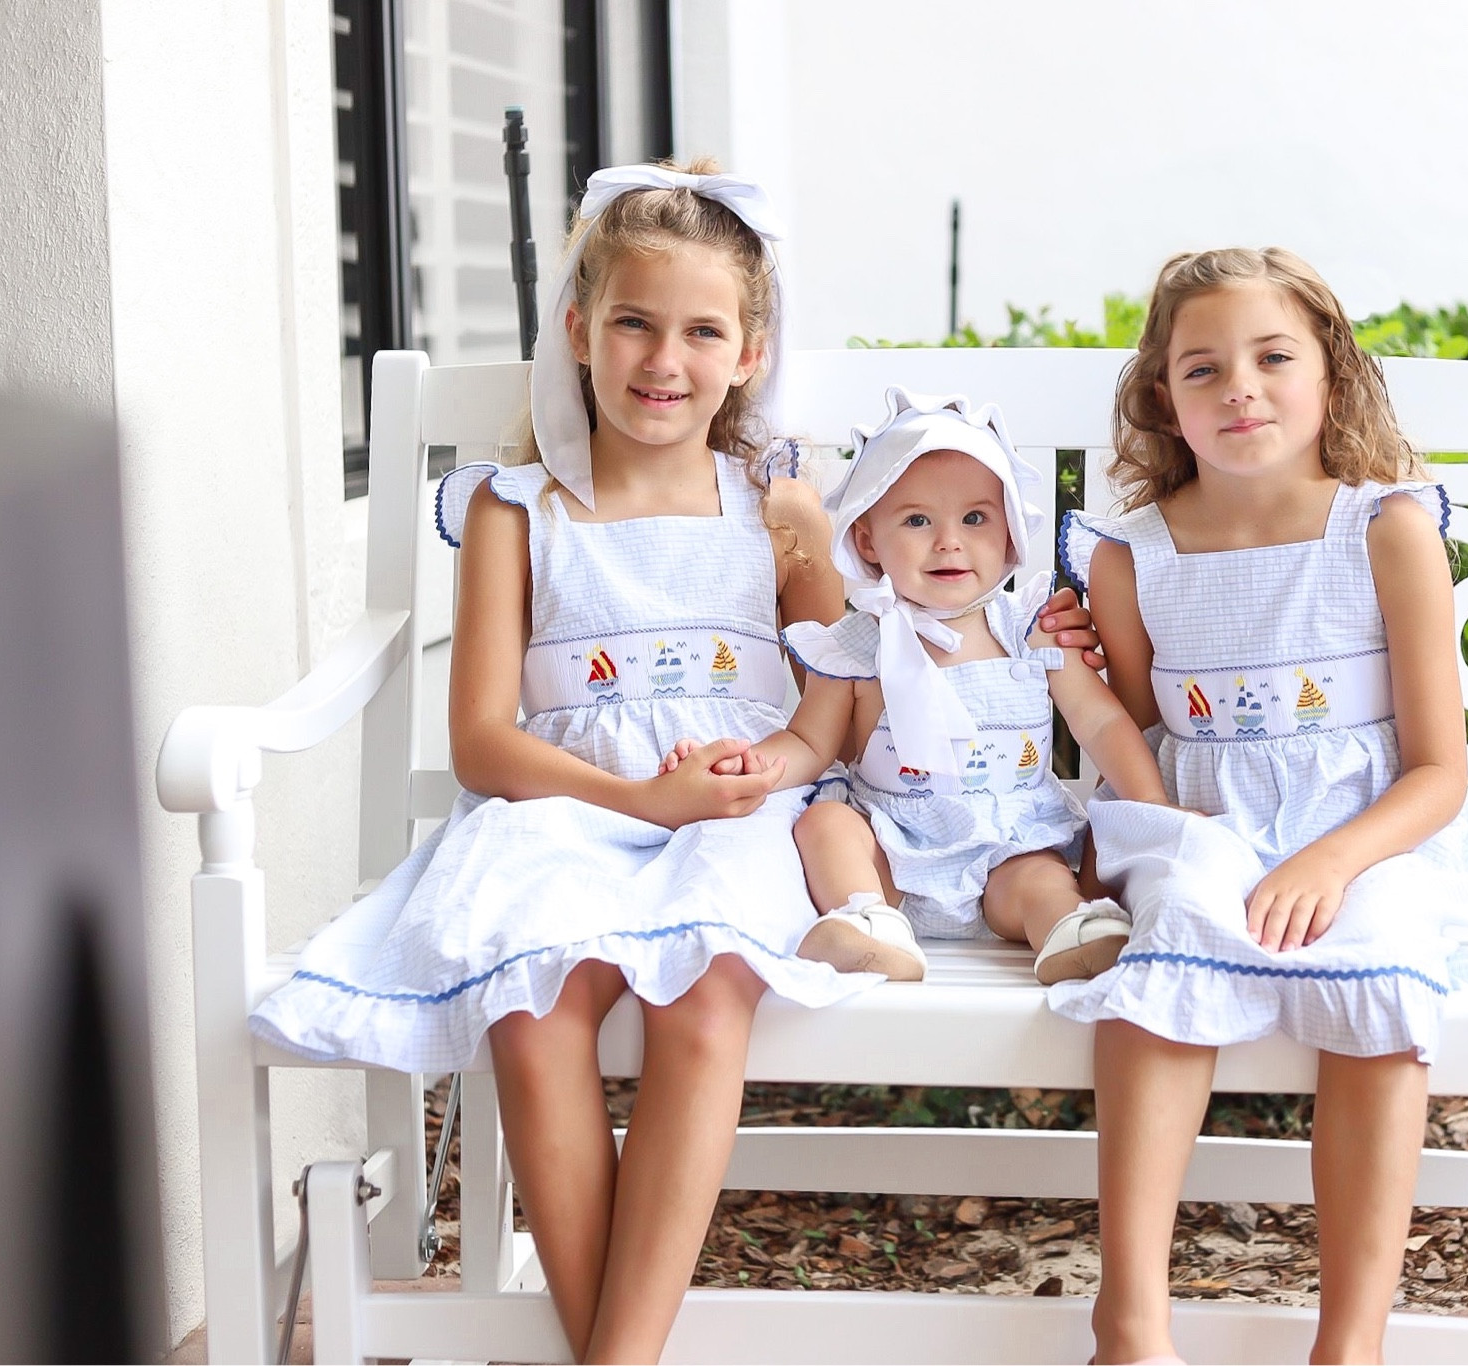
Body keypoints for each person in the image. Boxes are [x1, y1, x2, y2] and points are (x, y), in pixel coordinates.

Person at [248, 162, 1097, 1363]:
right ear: (580, 329)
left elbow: (855, 664)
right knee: (536, 1003)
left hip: (741, 804)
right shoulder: (516, 505)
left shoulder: (778, 500)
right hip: (563, 806)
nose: (664, 359)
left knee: (705, 996)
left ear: (749, 353)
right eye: (635, 323)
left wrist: (1022, 645)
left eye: (702, 330)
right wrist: (638, 794)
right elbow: (482, 741)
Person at [1052, 248, 1468, 1364]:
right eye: (1200, 369)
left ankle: (1347, 1340)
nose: (1237, 388)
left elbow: (1437, 771)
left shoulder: (1385, 529)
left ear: (1331, 378)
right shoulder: (1134, 554)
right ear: (1164, 397)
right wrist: (1066, 676)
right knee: (1169, 947)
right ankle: (1131, 1322)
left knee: (1383, 971)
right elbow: (1131, 736)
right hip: (1202, 827)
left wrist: (1332, 862)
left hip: (1372, 832)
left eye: (1270, 357)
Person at [663, 387, 1166, 985]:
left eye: (975, 518)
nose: (948, 541)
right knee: (825, 826)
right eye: (917, 520)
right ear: (868, 540)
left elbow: (1102, 723)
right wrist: (743, 764)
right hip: (890, 853)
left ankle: (1065, 930)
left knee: (1040, 879)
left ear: (1010, 535)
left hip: (1002, 849)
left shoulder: (1030, 630)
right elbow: (808, 744)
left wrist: (1155, 811)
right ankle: (867, 923)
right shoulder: (856, 643)